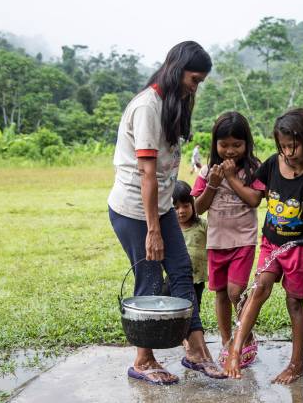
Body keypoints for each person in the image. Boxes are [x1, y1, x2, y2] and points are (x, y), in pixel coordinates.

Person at [108, 40, 225, 385]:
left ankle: (197, 352)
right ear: (177, 72)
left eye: (200, 81)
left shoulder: (170, 104)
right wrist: (153, 230)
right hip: (134, 213)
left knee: (181, 272)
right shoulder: (147, 107)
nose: (196, 87)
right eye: (194, 79)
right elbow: (147, 174)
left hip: (160, 209)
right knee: (148, 279)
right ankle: (143, 361)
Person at [223, 108, 303, 384]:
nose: (288, 152)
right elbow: (254, 198)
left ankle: (296, 363)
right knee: (259, 288)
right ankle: (234, 351)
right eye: (283, 146)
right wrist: (230, 179)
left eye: (293, 145)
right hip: (271, 243)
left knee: (294, 303)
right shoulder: (274, 164)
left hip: (299, 246)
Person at [191, 111, 262, 368]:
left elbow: (255, 199)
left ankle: (245, 334)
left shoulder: (253, 168)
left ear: (247, 144)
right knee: (220, 294)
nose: (230, 150)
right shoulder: (209, 170)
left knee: (235, 291)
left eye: (237, 145)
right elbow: (197, 208)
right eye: (224, 145)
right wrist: (213, 183)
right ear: (215, 144)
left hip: (243, 239)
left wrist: (231, 178)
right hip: (216, 241)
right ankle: (226, 340)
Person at [161, 180, 208, 312]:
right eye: (175, 208)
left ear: (193, 205)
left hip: (197, 279)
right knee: (168, 307)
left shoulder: (202, 225)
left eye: (186, 206)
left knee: (193, 309)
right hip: (172, 278)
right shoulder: (168, 229)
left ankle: (191, 331)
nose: (181, 211)